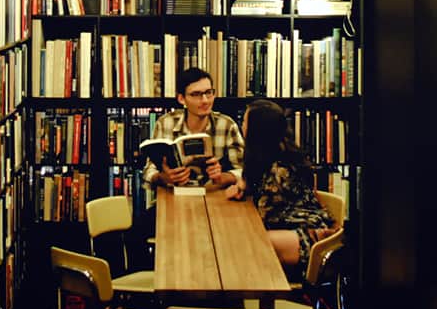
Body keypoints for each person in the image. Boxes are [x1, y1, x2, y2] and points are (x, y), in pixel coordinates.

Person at [225, 99, 336, 280]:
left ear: (256, 130)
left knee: (245, 243)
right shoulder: (266, 155)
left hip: (309, 235)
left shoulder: (280, 169)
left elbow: (263, 215)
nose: (242, 126)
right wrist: (243, 187)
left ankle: (251, 299)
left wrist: (244, 189)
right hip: (287, 228)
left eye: (245, 122)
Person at [142, 67, 243, 193]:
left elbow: (243, 171)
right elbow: (148, 170)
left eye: (209, 92)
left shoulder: (227, 125)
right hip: (174, 197)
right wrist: (164, 178)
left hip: (214, 198)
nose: (205, 100)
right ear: (181, 99)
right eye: (196, 94)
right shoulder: (165, 123)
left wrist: (221, 177)